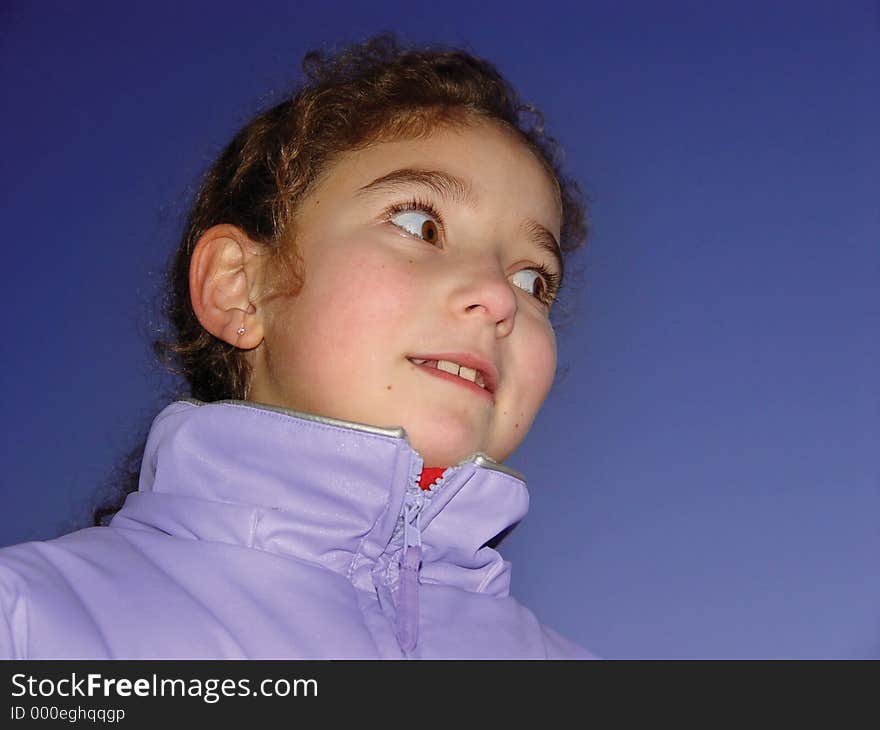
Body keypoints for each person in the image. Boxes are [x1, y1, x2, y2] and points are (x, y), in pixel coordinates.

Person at [0, 35, 591, 658]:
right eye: (421, 224)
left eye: (534, 280)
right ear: (241, 289)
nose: (499, 296)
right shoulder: (30, 626)